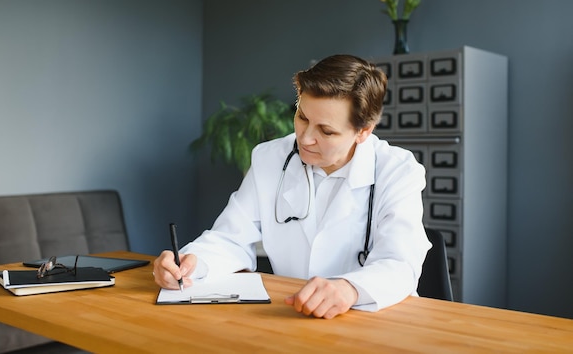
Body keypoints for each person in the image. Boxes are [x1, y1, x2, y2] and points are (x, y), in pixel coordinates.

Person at [153, 54, 431, 319]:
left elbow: (400, 262)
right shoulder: (269, 158)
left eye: (326, 131)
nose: (305, 138)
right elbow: (231, 237)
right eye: (302, 117)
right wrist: (192, 263)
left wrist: (351, 288)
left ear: (363, 131)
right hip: (293, 316)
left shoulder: (397, 171)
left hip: (375, 320)